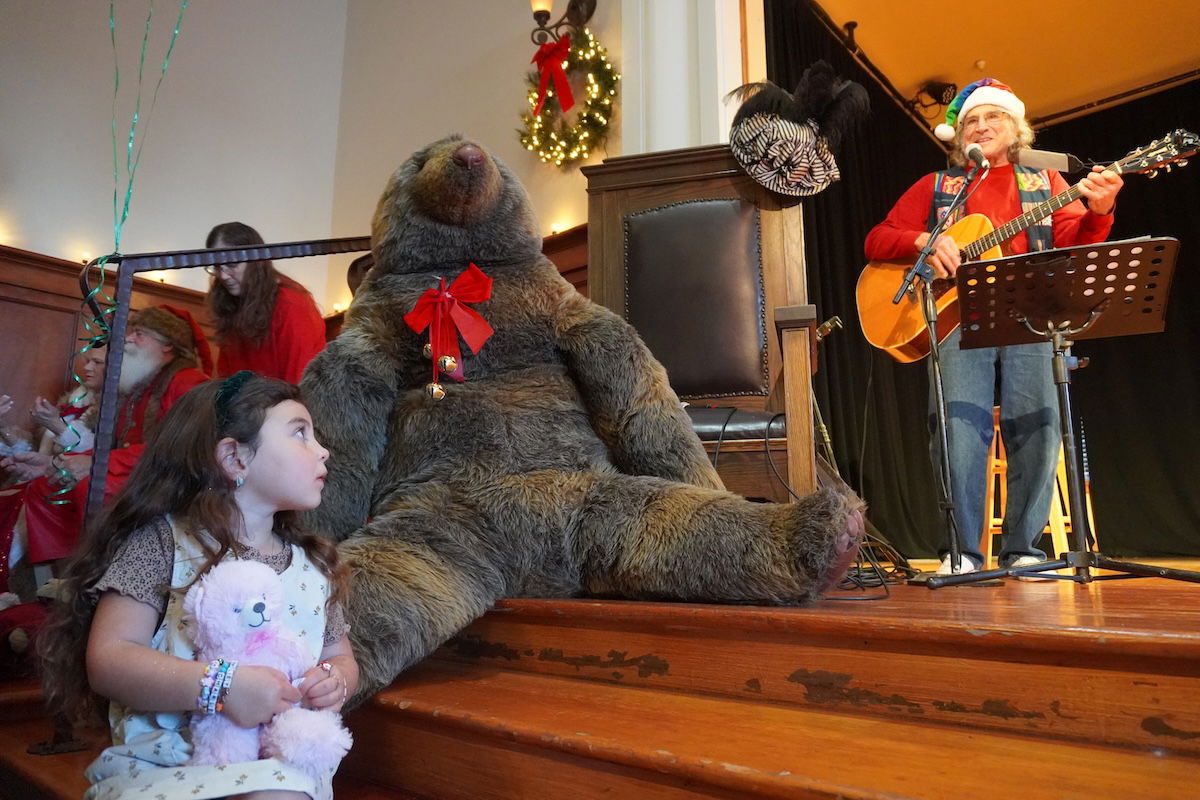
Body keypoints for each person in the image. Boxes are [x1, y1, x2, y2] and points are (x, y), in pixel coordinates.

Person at [38, 372, 357, 800]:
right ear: (235, 458)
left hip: (282, 769)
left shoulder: (315, 565)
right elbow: (110, 659)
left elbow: (340, 657)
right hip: (166, 771)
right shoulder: (163, 543)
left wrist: (333, 680)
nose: (323, 450)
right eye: (300, 433)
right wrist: (221, 688)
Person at [863, 79, 1124, 575]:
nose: (981, 127)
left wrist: (1101, 209)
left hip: (1031, 312)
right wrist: (924, 241)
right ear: (959, 137)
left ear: (1015, 128)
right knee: (959, 429)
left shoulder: (1045, 182)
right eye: (970, 122)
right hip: (962, 318)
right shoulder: (937, 187)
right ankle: (961, 552)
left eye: (993, 118)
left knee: (1039, 428)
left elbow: (1078, 242)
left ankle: (1024, 550)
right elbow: (878, 239)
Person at [0, 305, 211, 576]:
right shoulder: (137, 383)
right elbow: (108, 446)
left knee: (89, 488)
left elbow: (174, 448)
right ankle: (54, 578)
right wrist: (53, 465)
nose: (127, 338)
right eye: (131, 331)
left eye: (140, 333)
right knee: (45, 487)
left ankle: (92, 573)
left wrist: (93, 464)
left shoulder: (187, 382)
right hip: (131, 472)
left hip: (164, 479)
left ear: (167, 345)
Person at [0, 348, 106, 590]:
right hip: (39, 486)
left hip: (68, 501)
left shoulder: (113, 413)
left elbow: (94, 458)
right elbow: (39, 455)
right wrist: (3, 426)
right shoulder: (73, 402)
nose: (87, 368)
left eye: (97, 362)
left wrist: (59, 427)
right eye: (87, 361)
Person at [205, 222, 327, 383]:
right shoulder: (231, 303)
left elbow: (299, 384)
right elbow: (226, 380)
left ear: (255, 260)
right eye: (217, 267)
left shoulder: (291, 304)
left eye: (231, 264)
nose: (224, 276)